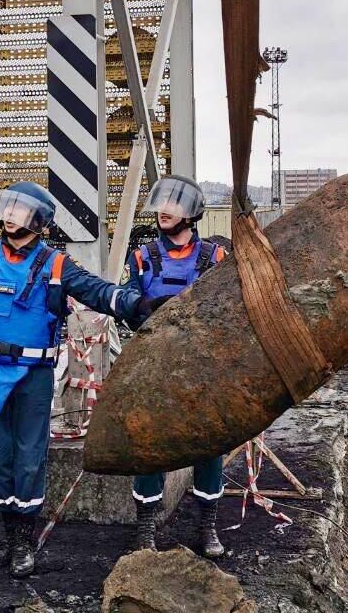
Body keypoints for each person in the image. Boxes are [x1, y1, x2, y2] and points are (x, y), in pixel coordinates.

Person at [0, 181, 160, 577]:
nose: (11, 221)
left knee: (29, 458)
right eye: (9, 211)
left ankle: (23, 542)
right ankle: (6, 535)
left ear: (38, 223)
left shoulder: (56, 265)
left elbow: (96, 292)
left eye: (20, 214)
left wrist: (137, 303)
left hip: (32, 377)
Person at [123, 174, 228, 558]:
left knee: (208, 446)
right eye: (162, 202)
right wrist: (138, 306)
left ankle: (207, 526)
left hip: (201, 371)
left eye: (175, 204)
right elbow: (130, 300)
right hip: (154, 369)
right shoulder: (143, 257)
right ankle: (146, 530)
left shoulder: (216, 259)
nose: (165, 210)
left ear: (193, 214)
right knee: (149, 447)